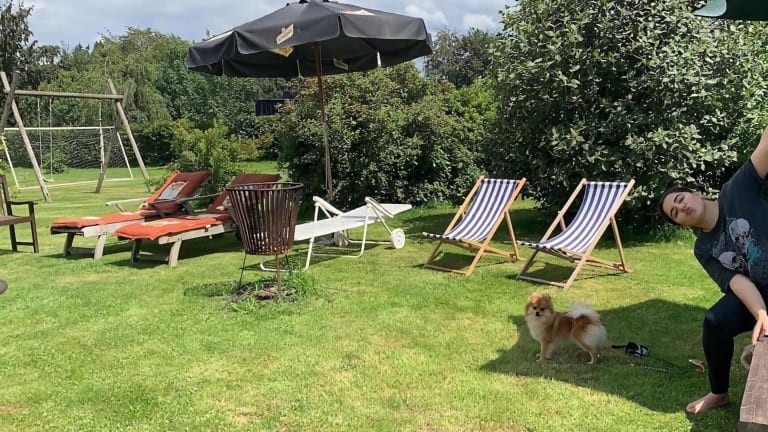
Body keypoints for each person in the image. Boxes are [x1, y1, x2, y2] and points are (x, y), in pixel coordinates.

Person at [658, 126, 768, 414]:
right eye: (675, 213)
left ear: (695, 193)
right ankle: (719, 393)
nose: (681, 208)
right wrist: (760, 312)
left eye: (680, 199)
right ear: (681, 225)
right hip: (759, 292)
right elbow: (736, 281)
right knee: (715, 321)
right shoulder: (703, 248)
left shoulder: (736, 190)